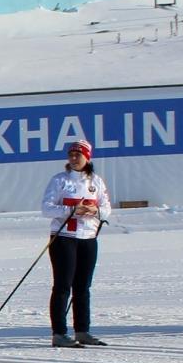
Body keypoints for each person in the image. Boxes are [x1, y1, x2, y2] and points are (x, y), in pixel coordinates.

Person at [43, 140, 113, 348]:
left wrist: (95, 212)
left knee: (83, 287)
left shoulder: (96, 182)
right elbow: (46, 208)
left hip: (88, 238)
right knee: (62, 286)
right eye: (71, 154)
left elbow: (107, 208)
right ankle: (59, 333)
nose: (74, 158)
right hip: (64, 237)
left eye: (78, 154)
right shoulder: (60, 180)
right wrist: (71, 211)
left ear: (87, 157)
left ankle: (82, 330)